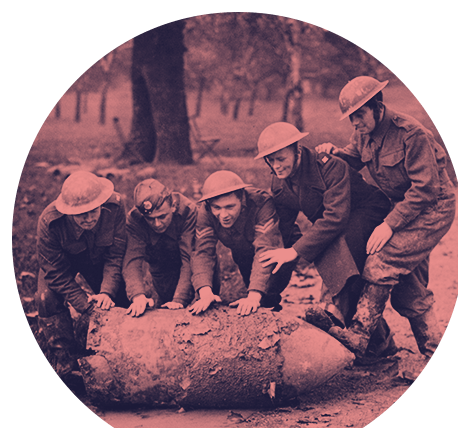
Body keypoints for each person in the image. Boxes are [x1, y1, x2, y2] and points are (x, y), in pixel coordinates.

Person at [314, 76, 456, 361]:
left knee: (381, 261)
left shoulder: (411, 134)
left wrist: (389, 224)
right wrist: (333, 155)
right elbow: (353, 160)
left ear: (377, 106)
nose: (355, 123)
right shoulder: (363, 134)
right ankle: (431, 352)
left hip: (432, 210)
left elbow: (426, 189)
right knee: (409, 289)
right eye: (351, 118)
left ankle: (359, 333)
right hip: (405, 207)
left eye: (359, 115)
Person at [254, 121, 395, 361]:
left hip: (368, 210)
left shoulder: (330, 167)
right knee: (348, 268)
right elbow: (284, 228)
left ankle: (332, 312)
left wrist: (296, 251)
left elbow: (336, 218)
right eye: (270, 160)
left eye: (280, 158)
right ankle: (382, 345)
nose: (275, 165)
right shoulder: (279, 182)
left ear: (297, 151)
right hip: (337, 221)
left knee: (340, 247)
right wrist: (262, 288)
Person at [36, 171, 129, 379]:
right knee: (45, 298)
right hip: (63, 264)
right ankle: (66, 360)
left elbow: (115, 255)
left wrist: (107, 292)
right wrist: (85, 305)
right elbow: (55, 272)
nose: (88, 219)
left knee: (122, 303)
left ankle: (118, 357)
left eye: (93, 211)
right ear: (68, 212)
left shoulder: (115, 206)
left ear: (102, 203)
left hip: (100, 260)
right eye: (80, 214)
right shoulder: (49, 222)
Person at [189, 170, 294, 316]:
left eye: (230, 207)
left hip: (279, 246)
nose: (223, 215)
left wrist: (253, 296)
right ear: (208, 204)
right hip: (242, 249)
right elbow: (202, 252)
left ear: (242, 199)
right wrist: (205, 292)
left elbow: (266, 249)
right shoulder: (205, 212)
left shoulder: (261, 203)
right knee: (256, 295)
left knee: (269, 290)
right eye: (217, 208)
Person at [123, 178, 197, 317]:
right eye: (150, 219)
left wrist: (180, 298)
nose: (157, 224)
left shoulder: (188, 211)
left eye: (162, 216)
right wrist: (138, 295)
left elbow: (190, 258)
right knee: (167, 311)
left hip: (191, 265)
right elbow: (132, 260)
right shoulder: (134, 219)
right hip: (161, 267)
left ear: (173, 206)